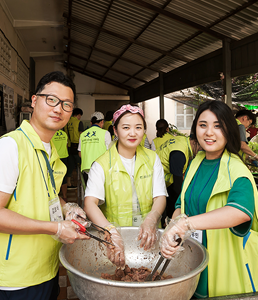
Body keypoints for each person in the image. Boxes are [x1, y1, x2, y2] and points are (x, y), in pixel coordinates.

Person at [0, 71, 90, 300]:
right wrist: (56, 228)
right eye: (51, 99)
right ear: (34, 100)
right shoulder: (11, 147)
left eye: (67, 105)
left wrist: (66, 207)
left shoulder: (51, 152)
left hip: (46, 269)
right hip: (15, 279)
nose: (58, 109)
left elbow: (44, 197)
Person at [160, 100, 258, 298]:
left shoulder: (237, 170)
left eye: (218, 126)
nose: (209, 132)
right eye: (203, 125)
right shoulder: (196, 162)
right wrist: (174, 224)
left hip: (226, 268)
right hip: (194, 262)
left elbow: (240, 212)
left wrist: (186, 224)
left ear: (229, 130)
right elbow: (181, 203)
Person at [84, 104, 167, 268]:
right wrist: (110, 232)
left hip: (148, 239)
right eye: (126, 127)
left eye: (138, 127)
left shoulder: (152, 158)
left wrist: (151, 219)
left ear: (144, 130)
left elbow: (160, 196)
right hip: (115, 242)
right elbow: (89, 204)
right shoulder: (101, 164)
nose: (133, 133)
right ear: (115, 130)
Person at [155, 132, 199, 224]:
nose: (201, 152)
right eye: (201, 148)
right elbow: (177, 187)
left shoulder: (182, 141)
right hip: (156, 181)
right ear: (195, 142)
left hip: (162, 179)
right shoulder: (179, 154)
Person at [78, 111, 111, 185]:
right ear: (102, 122)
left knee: (90, 192)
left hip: (86, 168)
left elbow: (80, 154)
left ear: (91, 122)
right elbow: (110, 152)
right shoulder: (105, 133)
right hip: (101, 167)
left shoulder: (83, 134)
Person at [64, 108, 84, 189]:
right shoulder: (79, 123)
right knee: (80, 165)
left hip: (69, 146)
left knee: (71, 165)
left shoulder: (67, 122)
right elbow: (81, 135)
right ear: (78, 115)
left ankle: (68, 183)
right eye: (80, 116)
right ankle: (82, 184)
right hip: (77, 146)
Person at [51, 129, 69, 201]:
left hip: (55, 157)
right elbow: (66, 146)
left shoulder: (51, 134)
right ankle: (64, 197)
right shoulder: (64, 134)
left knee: (55, 176)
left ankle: (56, 196)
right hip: (64, 157)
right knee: (63, 176)